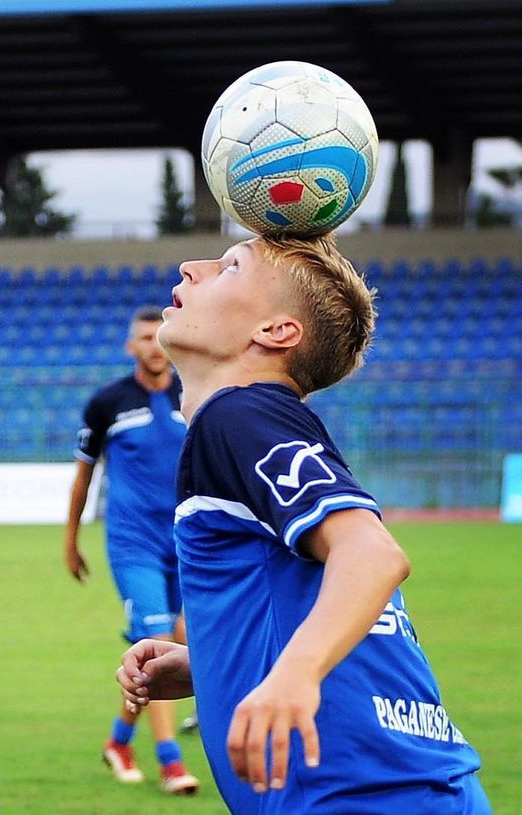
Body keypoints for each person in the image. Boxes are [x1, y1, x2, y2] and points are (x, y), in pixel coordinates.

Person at [117, 235, 489, 814]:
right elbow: (306, 588)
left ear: (275, 331)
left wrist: (294, 674)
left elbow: (373, 554)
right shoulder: (260, 421)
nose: (193, 267)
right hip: (411, 783)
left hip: (355, 792)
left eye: (230, 267)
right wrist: (217, 663)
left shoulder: (238, 414)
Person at [64, 305, 199, 796]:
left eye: (159, 336)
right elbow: (84, 476)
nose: (153, 345)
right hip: (132, 545)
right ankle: (171, 762)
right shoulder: (107, 403)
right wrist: (71, 541)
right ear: (131, 347)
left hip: (188, 542)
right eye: (144, 338)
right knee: (157, 644)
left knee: (185, 644)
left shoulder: (196, 394)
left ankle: (119, 741)